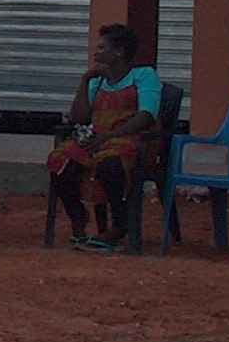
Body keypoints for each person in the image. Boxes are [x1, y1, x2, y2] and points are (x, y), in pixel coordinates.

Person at [47, 23, 164, 250]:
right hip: (98, 141)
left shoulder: (144, 76)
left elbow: (147, 116)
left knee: (111, 164)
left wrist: (109, 136)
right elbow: (79, 117)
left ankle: (119, 226)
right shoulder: (97, 82)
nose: (95, 53)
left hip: (132, 141)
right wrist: (84, 81)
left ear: (118, 52)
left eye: (101, 48)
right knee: (60, 160)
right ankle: (78, 218)